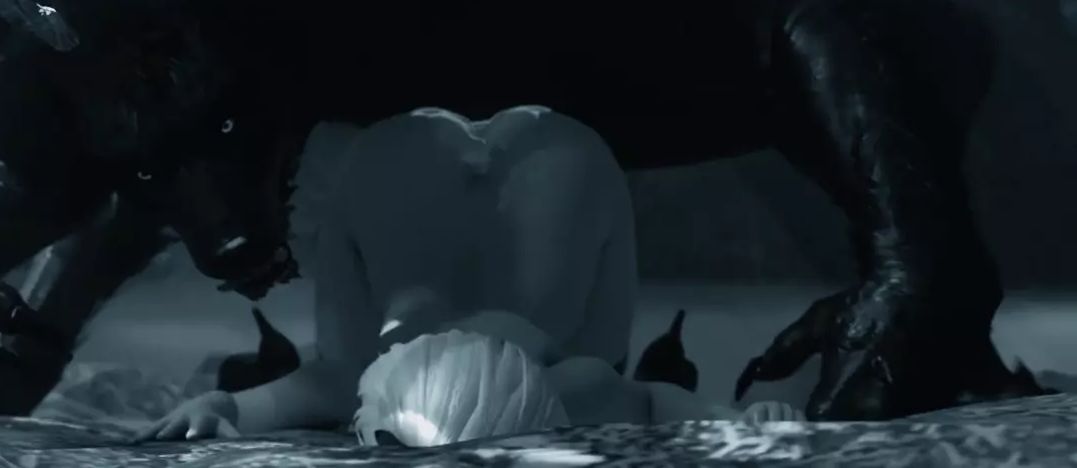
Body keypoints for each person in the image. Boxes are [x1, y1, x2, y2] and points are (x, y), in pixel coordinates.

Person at [140, 106, 800, 443]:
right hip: (544, 174)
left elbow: (307, 389)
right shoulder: (580, 385)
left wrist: (222, 407)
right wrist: (737, 419)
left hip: (518, 176)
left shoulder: (576, 385)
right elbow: (656, 402)